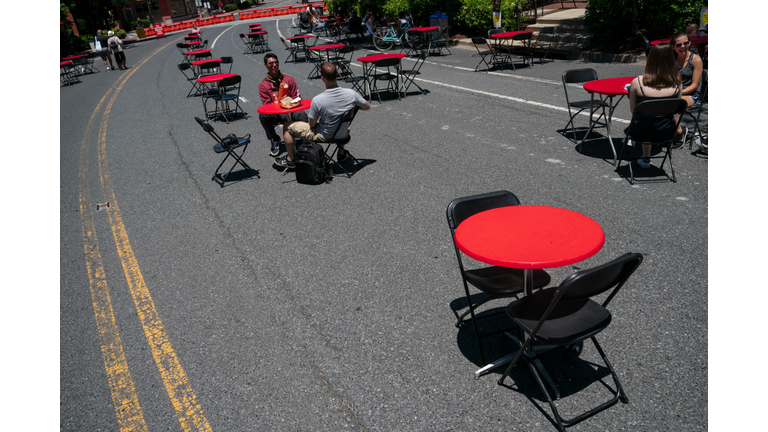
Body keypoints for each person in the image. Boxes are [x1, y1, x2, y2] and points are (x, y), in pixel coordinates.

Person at [275, 62, 371, 169]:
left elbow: (311, 125)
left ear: (322, 78)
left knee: (287, 126)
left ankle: (290, 159)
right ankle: (341, 153)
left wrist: (317, 122)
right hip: (343, 133)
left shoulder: (318, 100)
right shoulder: (351, 93)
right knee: (341, 123)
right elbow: (367, 106)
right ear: (337, 73)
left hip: (325, 135)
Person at [628, 43, 683, 168]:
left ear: (650, 59)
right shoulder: (677, 82)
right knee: (655, 119)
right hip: (667, 132)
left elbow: (633, 111)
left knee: (645, 120)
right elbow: (676, 109)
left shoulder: (637, 82)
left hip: (641, 133)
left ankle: (646, 157)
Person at [258, 53, 308, 156]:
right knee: (263, 116)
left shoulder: (289, 80)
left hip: (291, 110)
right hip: (276, 113)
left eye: (276, 62)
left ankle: (305, 139)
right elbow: (267, 106)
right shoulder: (263, 85)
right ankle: (274, 138)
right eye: (271, 63)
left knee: (302, 114)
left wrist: (290, 104)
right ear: (266, 66)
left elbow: (297, 97)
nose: (274, 65)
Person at [671, 30, 703, 109]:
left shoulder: (696, 60)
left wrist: (676, 93)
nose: (683, 46)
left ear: (690, 43)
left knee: (670, 104)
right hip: (672, 93)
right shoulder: (671, 58)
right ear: (673, 47)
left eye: (686, 43)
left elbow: (694, 86)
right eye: (678, 45)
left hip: (690, 95)